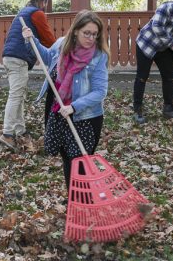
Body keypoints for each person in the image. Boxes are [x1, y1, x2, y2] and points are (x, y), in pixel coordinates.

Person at [22, 10, 109, 188]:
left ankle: (84, 198)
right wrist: (32, 40)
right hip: (59, 112)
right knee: (67, 159)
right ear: (76, 31)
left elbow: (100, 91)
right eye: (87, 33)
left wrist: (74, 106)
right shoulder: (62, 44)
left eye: (94, 34)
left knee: (80, 163)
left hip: (85, 117)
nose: (91, 38)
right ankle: (73, 197)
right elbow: (48, 58)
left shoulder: (99, 56)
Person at [0, 0, 57, 151]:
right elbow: (48, 39)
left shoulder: (23, 12)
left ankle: (20, 130)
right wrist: (59, 49)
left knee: (19, 94)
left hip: (10, 56)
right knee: (16, 95)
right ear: (43, 2)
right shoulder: (37, 14)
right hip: (19, 58)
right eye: (45, 4)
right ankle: (7, 133)